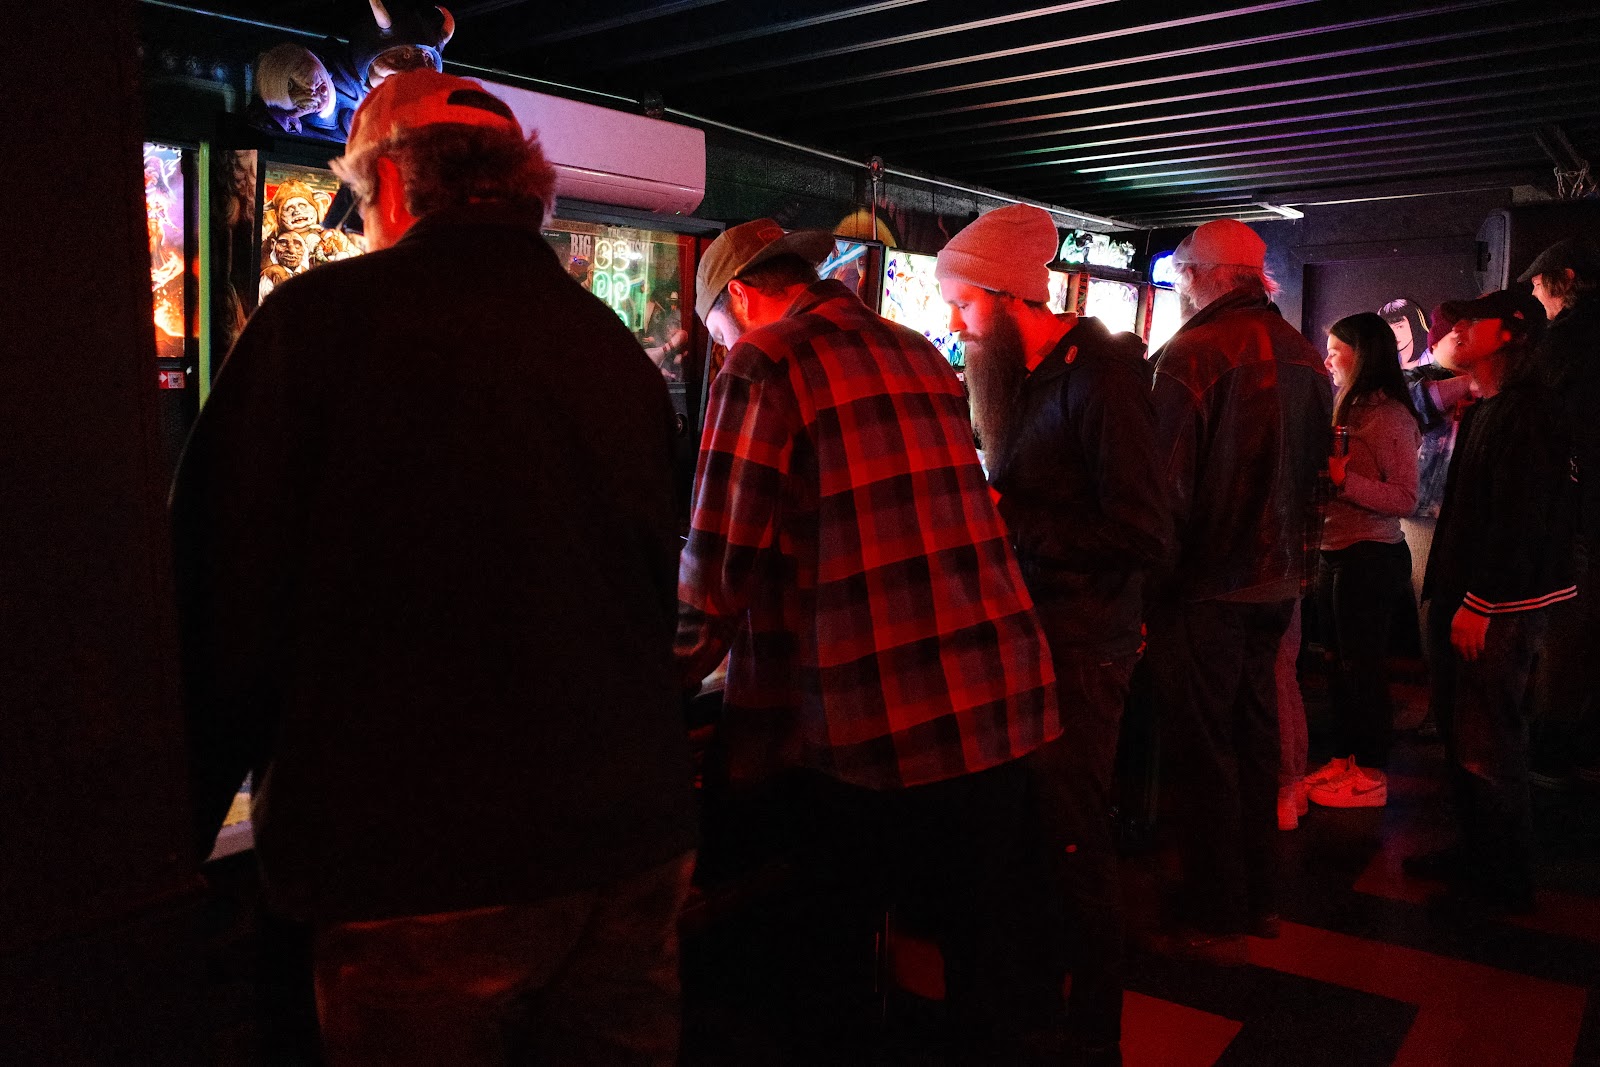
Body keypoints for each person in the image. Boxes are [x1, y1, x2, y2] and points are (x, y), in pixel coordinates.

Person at [172, 70, 698, 1066]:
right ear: (525, 191)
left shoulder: (317, 321)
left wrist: (173, 835)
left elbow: (218, 600)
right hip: (630, 839)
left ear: (396, 187)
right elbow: (644, 582)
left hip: (420, 861)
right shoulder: (612, 347)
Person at [677, 218, 1060, 1057]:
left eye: (714, 333)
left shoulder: (765, 360)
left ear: (739, 296)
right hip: (998, 692)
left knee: (827, 968)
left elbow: (715, 569)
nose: (720, 348)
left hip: (879, 715)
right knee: (981, 969)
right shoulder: (915, 349)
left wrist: (654, 673)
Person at [935, 204, 1171, 1064]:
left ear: (1003, 297)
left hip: (1082, 642)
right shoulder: (1033, 376)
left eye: (962, 308)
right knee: (1039, 831)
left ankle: (1094, 1030)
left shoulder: (1101, 376)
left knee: (1073, 833)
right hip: (1036, 632)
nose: (956, 327)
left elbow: (1145, 531)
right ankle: (1038, 1002)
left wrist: (1010, 518)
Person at [1147, 219, 1332, 958]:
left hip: (1206, 586)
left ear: (1207, 276)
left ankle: (1214, 906)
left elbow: (1162, 497)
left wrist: (1142, 595)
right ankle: (1260, 899)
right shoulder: (1306, 355)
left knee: (1203, 750)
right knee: (1255, 742)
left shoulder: (1190, 355)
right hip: (1279, 581)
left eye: (1180, 273)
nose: (1177, 286)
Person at [1408, 289, 1572, 913]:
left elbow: (1519, 520)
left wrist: (1480, 601)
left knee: (1487, 740)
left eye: (1472, 321)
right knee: (1463, 731)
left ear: (1508, 333)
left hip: (1497, 605)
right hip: (1472, 595)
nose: (1457, 329)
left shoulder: (1527, 413)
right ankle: (1477, 853)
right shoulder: (1489, 408)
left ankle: (1503, 883)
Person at [1303, 313, 1421, 809]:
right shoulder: (1345, 404)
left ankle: (1371, 772)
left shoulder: (1389, 414)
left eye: (1335, 349)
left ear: (1362, 353)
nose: (1327, 358)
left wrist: (1342, 482)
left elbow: (1405, 498)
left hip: (1370, 554)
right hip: (1336, 551)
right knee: (1337, 664)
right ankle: (1344, 760)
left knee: (1362, 668)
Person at [1521, 237, 1600, 788]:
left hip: (1578, 508)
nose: (1532, 292)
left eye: (1537, 282)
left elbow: (1538, 420)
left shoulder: (1565, 341)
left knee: (1567, 629)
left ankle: (1552, 753)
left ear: (1564, 280)